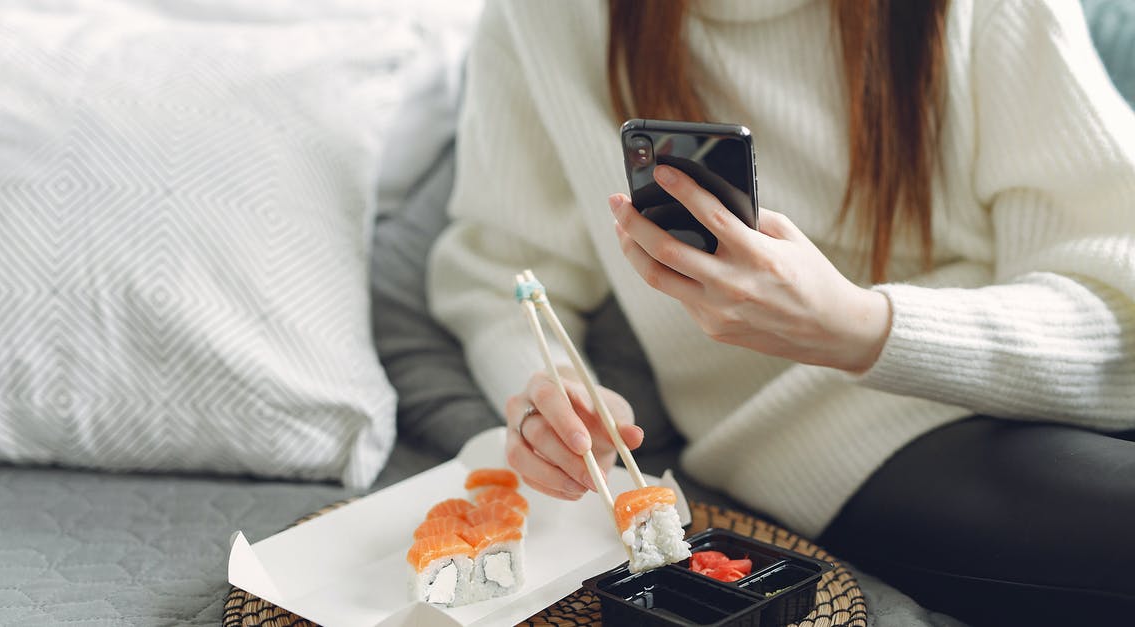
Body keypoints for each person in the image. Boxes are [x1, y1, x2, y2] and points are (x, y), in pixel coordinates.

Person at [426, 1, 1135, 624]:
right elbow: (498, 272)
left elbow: (1115, 286)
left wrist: (861, 326)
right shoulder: (547, 18)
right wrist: (549, 395)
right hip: (854, 442)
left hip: (1050, 373)